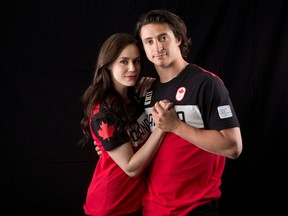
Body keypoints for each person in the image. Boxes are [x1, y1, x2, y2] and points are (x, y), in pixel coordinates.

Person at [132, 9, 243, 215]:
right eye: (149, 41)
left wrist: (176, 126)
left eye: (162, 37)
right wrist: (108, 143)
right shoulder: (147, 90)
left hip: (194, 208)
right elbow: (138, 141)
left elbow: (233, 147)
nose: (157, 47)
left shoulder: (206, 83)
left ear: (178, 39)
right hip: (152, 208)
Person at [79, 32, 171, 216]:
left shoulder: (135, 98)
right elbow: (131, 168)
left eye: (136, 61)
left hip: (138, 201)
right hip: (110, 205)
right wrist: (162, 127)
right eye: (124, 61)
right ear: (108, 64)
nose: (132, 68)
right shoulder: (102, 113)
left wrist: (155, 86)